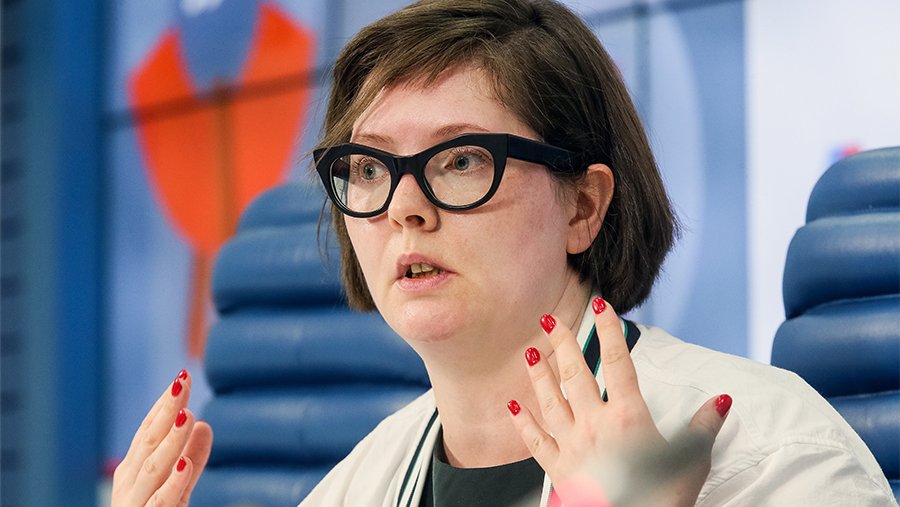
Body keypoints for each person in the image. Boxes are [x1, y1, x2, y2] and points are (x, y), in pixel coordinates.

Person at [111, 1, 897, 506]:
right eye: (371, 168)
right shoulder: (354, 486)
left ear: (583, 205)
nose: (406, 206)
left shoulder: (768, 453)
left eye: (460, 160)